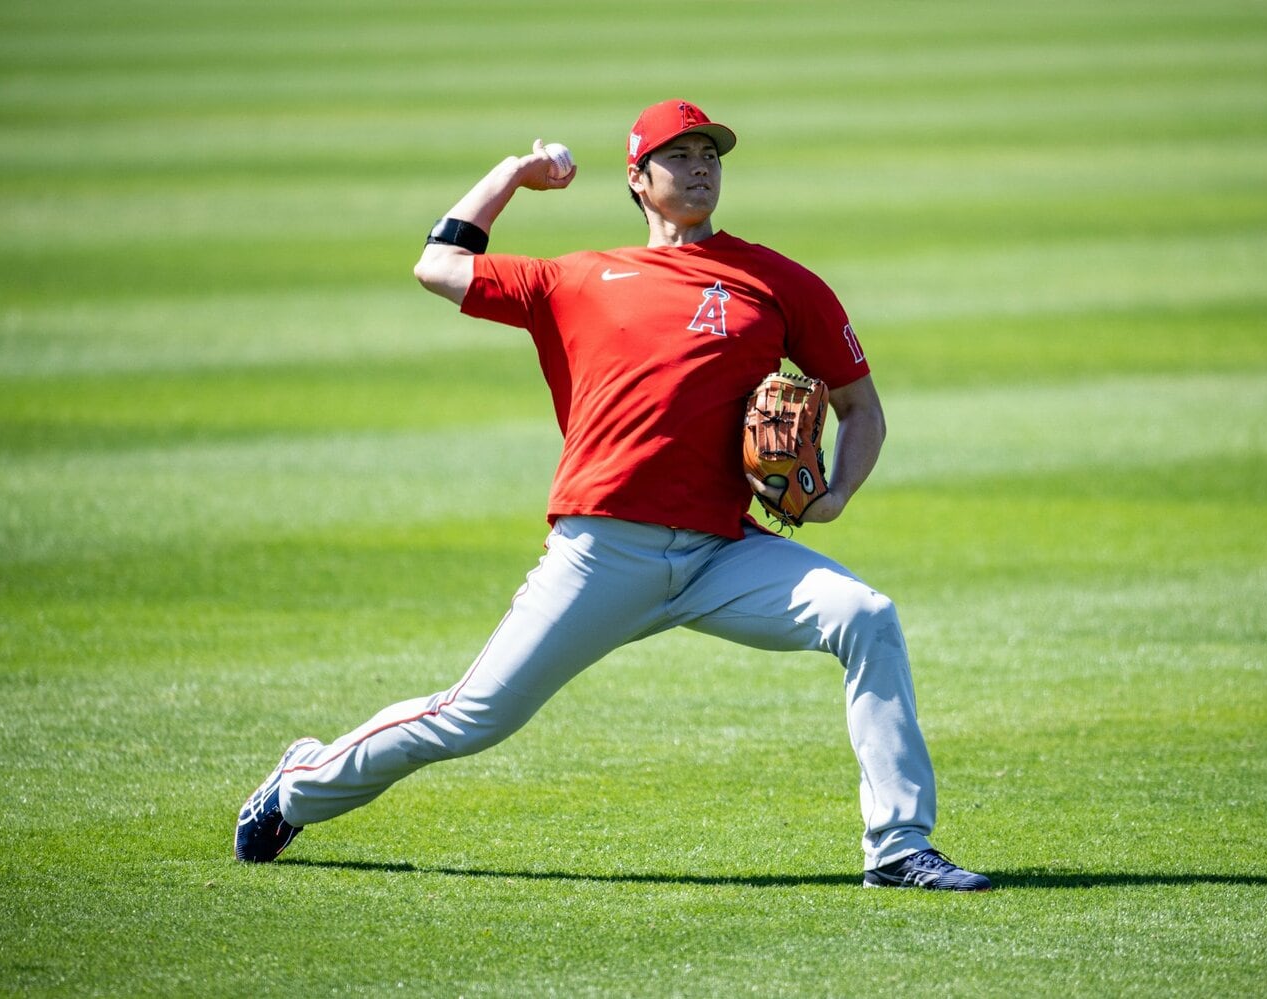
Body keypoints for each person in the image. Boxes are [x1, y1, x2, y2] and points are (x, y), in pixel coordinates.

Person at [234, 99, 991, 891]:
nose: (701, 166)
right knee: (471, 717)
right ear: (638, 178)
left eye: (712, 154)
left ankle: (899, 848)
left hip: (721, 553)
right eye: (681, 154)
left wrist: (836, 492)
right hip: (602, 554)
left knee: (865, 616)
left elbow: (859, 404)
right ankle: (298, 785)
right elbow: (437, 264)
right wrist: (514, 176)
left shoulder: (776, 280)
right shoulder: (578, 277)